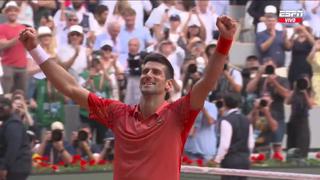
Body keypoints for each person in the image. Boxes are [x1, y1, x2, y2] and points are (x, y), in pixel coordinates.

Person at [19, 15, 237, 180]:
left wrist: (225, 41)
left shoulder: (179, 114)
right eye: (145, 71)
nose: (149, 74)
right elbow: (71, 88)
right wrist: (35, 49)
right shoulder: (118, 113)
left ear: (169, 85)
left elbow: (207, 81)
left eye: (156, 72)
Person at [0, 96, 32, 180]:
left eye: (2, 108)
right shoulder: (7, 122)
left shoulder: (13, 123)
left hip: (16, 167)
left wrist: (4, 167)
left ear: (10, 108)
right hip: (15, 166)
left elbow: (13, 147)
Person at [0, 1, 28, 94]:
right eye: (10, 10)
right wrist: (19, 37)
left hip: (22, 66)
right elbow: (3, 45)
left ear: (18, 12)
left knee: (21, 96)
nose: (12, 12)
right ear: (6, 13)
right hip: (8, 66)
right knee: (7, 95)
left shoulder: (23, 27)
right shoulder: (2, 27)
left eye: (15, 10)